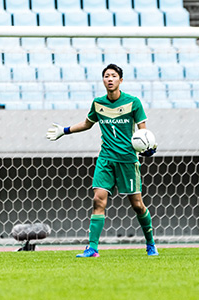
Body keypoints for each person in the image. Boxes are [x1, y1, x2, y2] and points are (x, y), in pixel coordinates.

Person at [46, 64, 158, 257]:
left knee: (137, 205)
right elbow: (87, 124)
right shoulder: (98, 103)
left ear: (120, 80)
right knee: (98, 199)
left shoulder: (133, 102)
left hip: (128, 161)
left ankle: (150, 244)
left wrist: (149, 148)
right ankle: (92, 248)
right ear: (103, 80)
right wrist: (64, 130)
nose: (110, 79)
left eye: (114, 76)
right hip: (106, 159)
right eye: (106, 76)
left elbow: (143, 132)